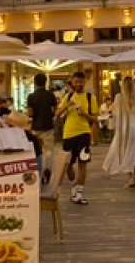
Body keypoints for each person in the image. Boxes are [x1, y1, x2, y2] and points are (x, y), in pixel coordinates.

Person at [56, 71, 98, 205]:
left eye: (80, 81)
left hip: (84, 134)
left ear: (84, 82)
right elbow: (57, 113)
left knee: (82, 163)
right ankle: (74, 184)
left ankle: (79, 193)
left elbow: (96, 118)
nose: (78, 84)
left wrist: (85, 114)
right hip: (68, 134)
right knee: (67, 165)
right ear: (72, 82)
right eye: (76, 81)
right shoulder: (67, 97)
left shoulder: (91, 98)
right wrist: (67, 106)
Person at [103, 75, 135, 188]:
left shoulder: (118, 98)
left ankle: (131, 176)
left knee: (126, 151)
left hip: (124, 128)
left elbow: (116, 113)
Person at [27, 72, 58, 183]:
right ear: (46, 82)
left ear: (35, 83)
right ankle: (47, 169)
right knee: (48, 150)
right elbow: (55, 111)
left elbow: (30, 113)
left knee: (37, 151)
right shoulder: (51, 95)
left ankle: (38, 172)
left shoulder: (31, 96)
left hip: (36, 127)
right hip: (48, 126)